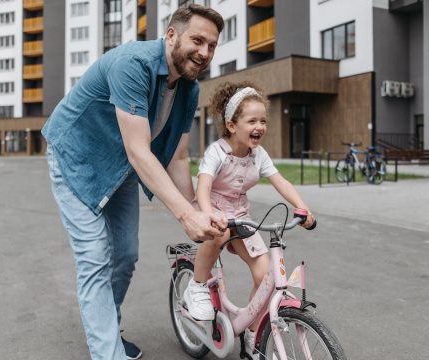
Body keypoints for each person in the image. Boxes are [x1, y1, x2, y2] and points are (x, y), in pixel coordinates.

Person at [42, 5, 226, 360]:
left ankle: (105, 331)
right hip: (76, 157)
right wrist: (185, 218)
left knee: (125, 255)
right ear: (171, 35)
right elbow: (140, 150)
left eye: (212, 45)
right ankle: (107, 352)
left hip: (121, 165)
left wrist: (201, 210)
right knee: (95, 257)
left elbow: (176, 156)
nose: (204, 52)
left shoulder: (189, 88)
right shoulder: (133, 64)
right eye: (198, 40)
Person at [183, 81, 316, 354]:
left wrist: (303, 208)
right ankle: (196, 286)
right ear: (232, 125)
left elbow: (281, 182)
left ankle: (252, 331)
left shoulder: (259, 155)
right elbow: (204, 186)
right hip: (214, 211)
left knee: (265, 274)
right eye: (252, 120)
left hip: (241, 217)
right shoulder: (217, 152)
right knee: (218, 232)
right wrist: (207, 214)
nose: (260, 127)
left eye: (263, 121)